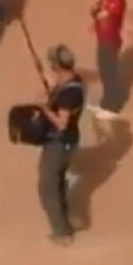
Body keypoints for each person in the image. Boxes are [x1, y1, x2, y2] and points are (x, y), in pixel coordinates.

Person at [37, 45, 85, 246]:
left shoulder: (69, 94)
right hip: (65, 141)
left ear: (58, 66)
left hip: (60, 142)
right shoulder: (73, 81)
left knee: (48, 186)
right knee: (57, 183)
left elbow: (61, 123)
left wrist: (44, 108)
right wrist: (50, 89)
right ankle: (66, 221)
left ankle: (62, 232)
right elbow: (59, 86)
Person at [91, 0, 129, 118]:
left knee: (110, 73)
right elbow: (94, 11)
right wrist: (97, 11)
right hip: (102, 40)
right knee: (103, 71)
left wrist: (98, 12)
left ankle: (114, 106)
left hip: (111, 40)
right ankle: (105, 103)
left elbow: (103, 14)